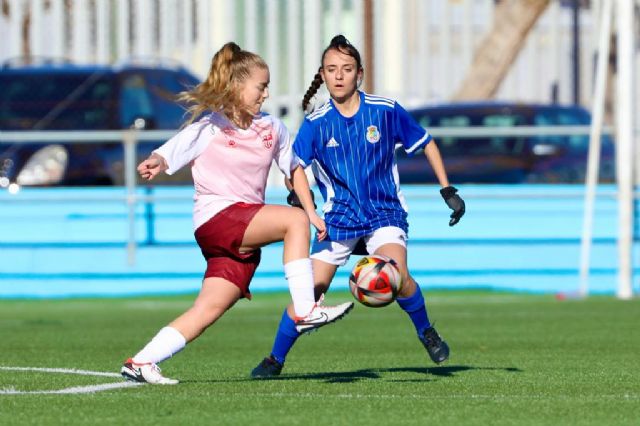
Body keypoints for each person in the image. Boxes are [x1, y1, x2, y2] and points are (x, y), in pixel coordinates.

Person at [120, 42, 353, 385]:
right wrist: (158, 160)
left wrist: (312, 212)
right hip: (218, 220)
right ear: (236, 86)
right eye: (261, 86)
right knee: (293, 222)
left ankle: (140, 362)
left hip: (240, 232)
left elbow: (295, 170)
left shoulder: (273, 128)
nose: (266, 92)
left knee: (208, 310)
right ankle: (305, 309)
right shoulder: (210, 127)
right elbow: (171, 152)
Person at [251, 35, 465, 378]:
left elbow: (427, 143)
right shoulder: (316, 123)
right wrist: (305, 205)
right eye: (332, 69)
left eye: (346, 69)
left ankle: (426, 330)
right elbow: (294, 168)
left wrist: (447, 189)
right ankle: (274, 359)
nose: (339, 76)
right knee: (310, 292)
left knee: (397, 276)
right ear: (322, 74)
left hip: (385, 213)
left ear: (359, 74)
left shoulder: (385, 109)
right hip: (338, 219)